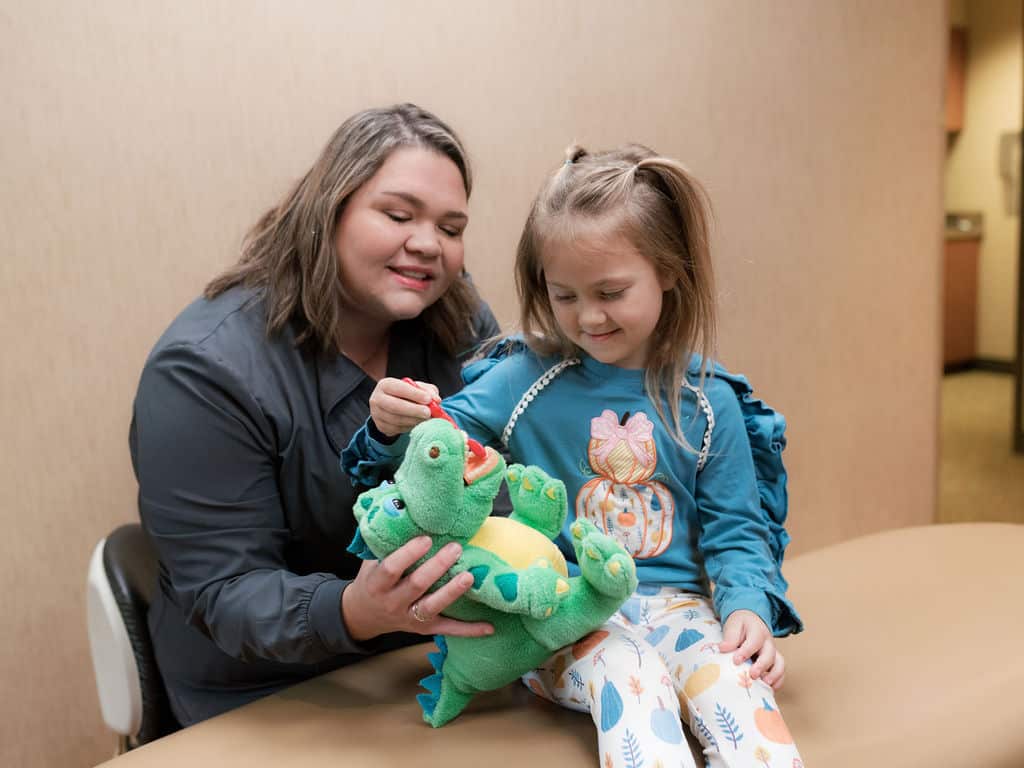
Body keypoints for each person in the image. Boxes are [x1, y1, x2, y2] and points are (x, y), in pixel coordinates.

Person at [344, 144, 804, 767]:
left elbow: (737, 528)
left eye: (611, 291)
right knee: (632, 675)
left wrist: (747, 607)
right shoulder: (522, 381)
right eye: (564, 295)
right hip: (559, 608)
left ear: (669, 271)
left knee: (737, 691)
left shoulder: (711, 402)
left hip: (682, 606)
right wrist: (392, 420)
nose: (587, 317)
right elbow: (434, 449)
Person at [129, 103, 502, 728]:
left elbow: (503, 476)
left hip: (435, 655)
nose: (427, 245)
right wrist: (358, 609)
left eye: (451, 226)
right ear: (328, 211)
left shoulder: (457, 321)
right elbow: (227, 592)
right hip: (268, 690)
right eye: (398, 214)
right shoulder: (202, 372)